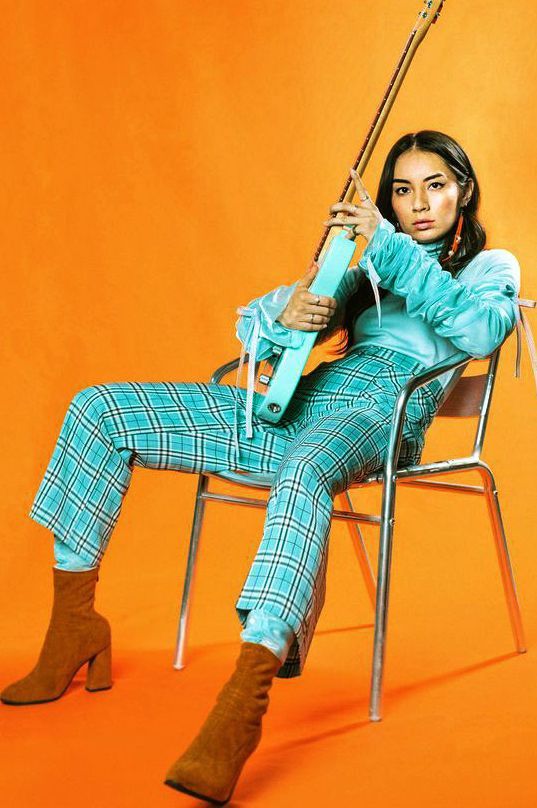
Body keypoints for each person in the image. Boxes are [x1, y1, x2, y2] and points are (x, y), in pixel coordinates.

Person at [1, 130, 521, 804]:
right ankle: (73, 627)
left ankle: (242, 704)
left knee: (303, 469)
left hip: (382, 415)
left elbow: (478, 333)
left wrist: (389, 252)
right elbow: (258, 329)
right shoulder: (361, 268)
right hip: (306, 401)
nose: (418, 203)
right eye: (401, 190)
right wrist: (286, 314)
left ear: (464, 190)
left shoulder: (488, 266)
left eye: (435, 185)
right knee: (101, 408)